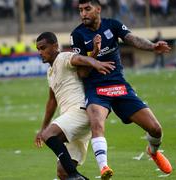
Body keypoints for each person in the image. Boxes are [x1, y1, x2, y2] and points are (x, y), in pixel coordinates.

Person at [70, 1, 173, 179]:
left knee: (156, 129)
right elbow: (82, 73)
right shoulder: (78, 34)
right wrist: (94, 53)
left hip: (119, 86)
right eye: (80, 10)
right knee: (97, 123)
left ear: (98, 9)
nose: (83, 14)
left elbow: (132, 39)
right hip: (96, 89)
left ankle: (153, 151)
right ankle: (104, 168)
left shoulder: (113, 25)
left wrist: (152, 46)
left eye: (87, 9)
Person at [34, 32, 115, 180]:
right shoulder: (50, 72)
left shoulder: (63, 58)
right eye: (38, 49)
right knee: (62, 172)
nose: (40, 52)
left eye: (43, 48)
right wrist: (42, 127)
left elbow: (79, 58)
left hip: (80, 112)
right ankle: (73, 175)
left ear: (55, 46)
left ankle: (74, 175)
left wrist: (95, 59)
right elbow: (52, 101)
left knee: (49, 135)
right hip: (69, 120)